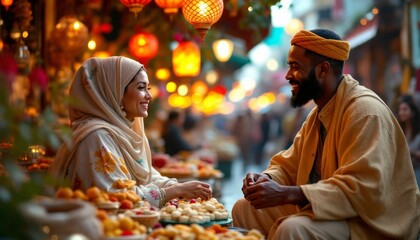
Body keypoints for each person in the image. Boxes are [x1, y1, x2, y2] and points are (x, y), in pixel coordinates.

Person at [232, 29, 420, 239]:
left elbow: (363, 190)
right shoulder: (317, 115)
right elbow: (288, 166)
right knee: (244, 208)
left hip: (369, 223)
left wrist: (287, 194)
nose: (288, 76)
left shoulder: (365, 112)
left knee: (293, 229)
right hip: (333, 211)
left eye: (295, 67)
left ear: (323, 70)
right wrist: (264, 179)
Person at [49, 57, 212, 208]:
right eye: (141, 88)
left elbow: (147, 176)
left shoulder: (123, 132)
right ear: (116, 92)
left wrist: (177, 186)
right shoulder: (96, 136)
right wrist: (176, 191)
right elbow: (116, 197)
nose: (149, 96)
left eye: (147, 88)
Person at [397, 95, 420, 187]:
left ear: (413, 112)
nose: (401, 112)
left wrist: (412, 153)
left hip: (417, 170)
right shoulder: (399, 131)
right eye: (400, 109)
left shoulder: (418, 133)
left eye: (405, 109)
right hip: (403, 172)